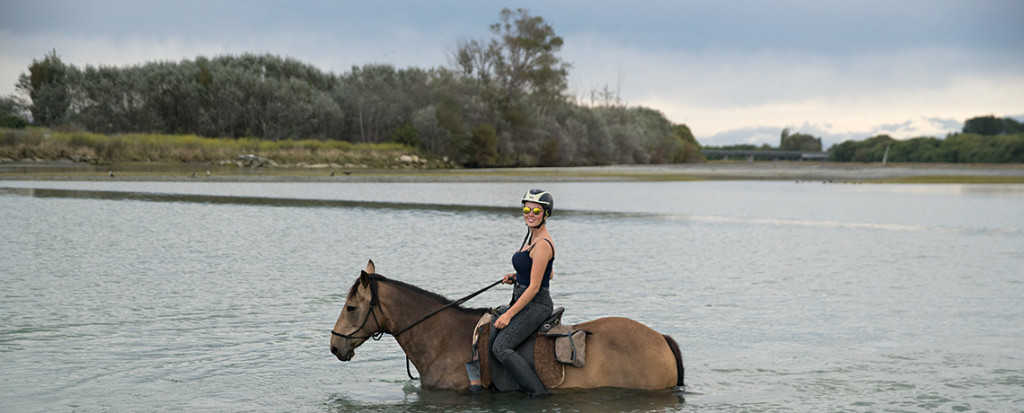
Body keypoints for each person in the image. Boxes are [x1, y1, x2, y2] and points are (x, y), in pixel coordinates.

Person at [492, 189, 556, 398]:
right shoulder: (532, 238)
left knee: (501, 347)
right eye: (526, 209)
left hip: (536, 305)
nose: (529, 214)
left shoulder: (542, 244)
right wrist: (516, 276)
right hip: (522, 297)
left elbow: (536, 287)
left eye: (535, 210)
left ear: (545, 214)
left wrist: (509, 315)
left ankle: (538, 393)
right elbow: (550, 273)